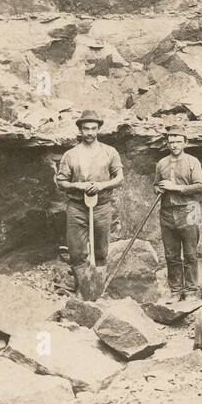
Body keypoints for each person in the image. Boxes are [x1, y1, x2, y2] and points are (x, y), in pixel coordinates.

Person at [54, 110, 124, 295]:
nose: (90, 133)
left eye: (93, 129)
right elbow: (61, 182)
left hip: (101, 207)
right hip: (77, 207)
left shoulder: (110, 152)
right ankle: (84, 292)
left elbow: (119, 178)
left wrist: (101, 186)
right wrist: (78, 185)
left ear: (99, 129)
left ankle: (97, 291)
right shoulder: (71, 155)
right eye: (86, 129)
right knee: (77, 252)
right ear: (80, 130)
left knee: (101, 250)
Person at [154, 125, 202, 300]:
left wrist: (175, 188)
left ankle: (191, 291)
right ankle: (175, 291)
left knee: (190, 253)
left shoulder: (193, 162)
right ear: (167, 144)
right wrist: (158, 189)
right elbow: (156, 184)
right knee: (171, 255)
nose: (174, 145)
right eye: (171, 142)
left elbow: (200, 186)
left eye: (178, 141)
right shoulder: (161, 163)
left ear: (185, 143)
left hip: (188, 212)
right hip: (167, 213)